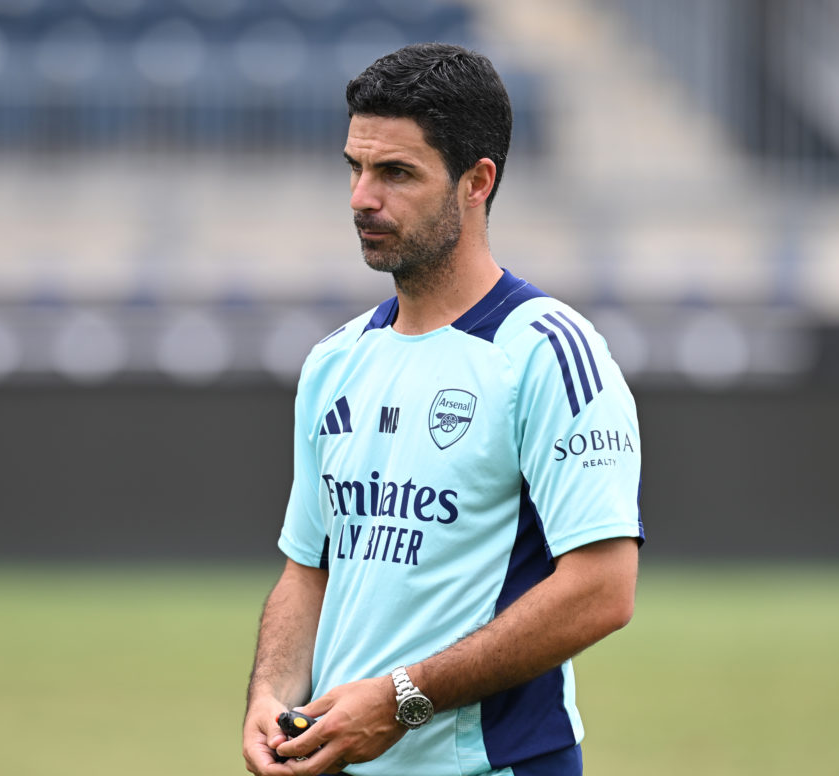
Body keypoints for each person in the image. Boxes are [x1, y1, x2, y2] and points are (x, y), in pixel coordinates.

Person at [242, 43, 644, 776]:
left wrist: (402, 701)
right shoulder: (335, 361)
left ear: (476, 182)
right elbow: (309, 568)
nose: (363, 197)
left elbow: (603, 589)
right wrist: (270, 696)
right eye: (355, 167)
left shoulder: (547, 352)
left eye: (396, 172)